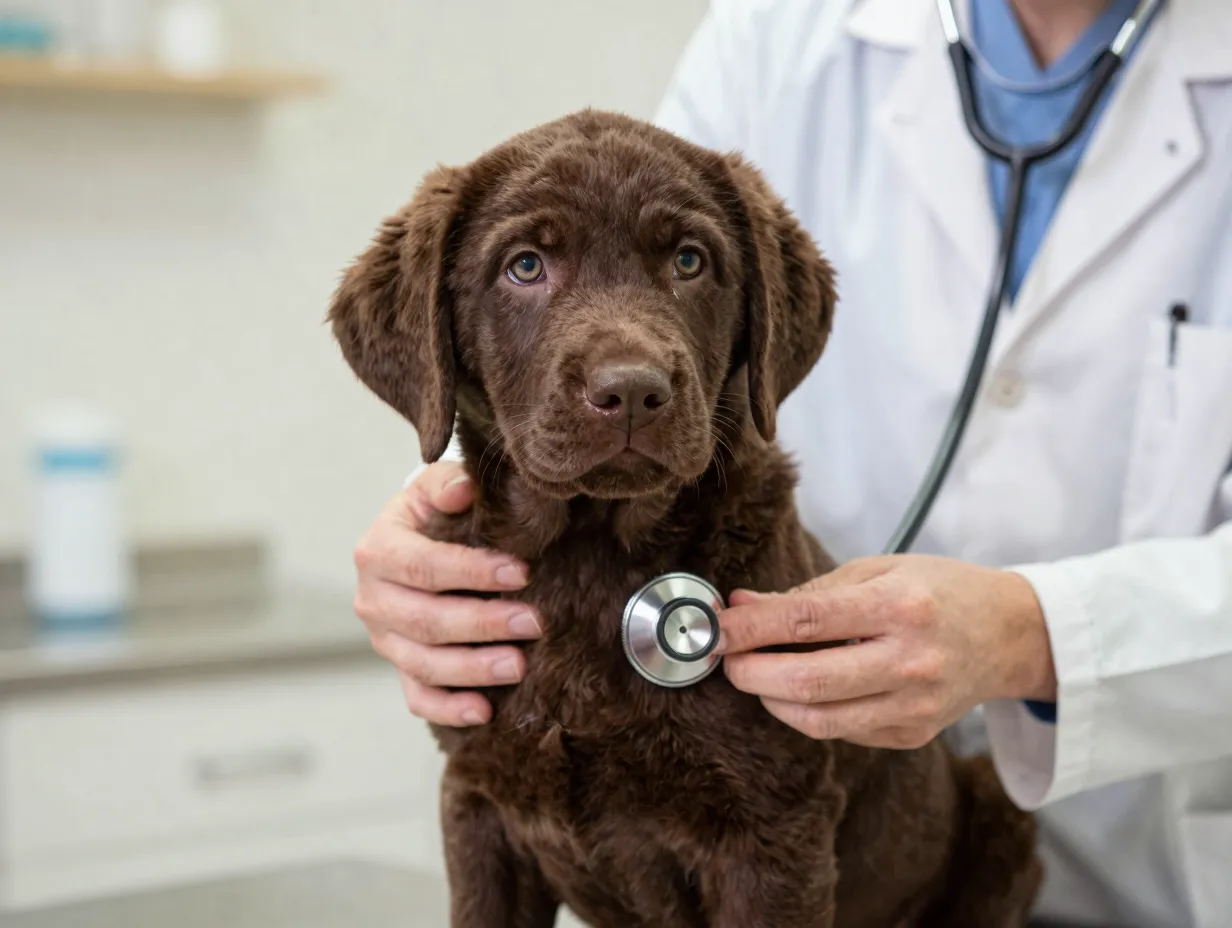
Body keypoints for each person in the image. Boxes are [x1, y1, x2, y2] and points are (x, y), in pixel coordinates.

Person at [348, 0, 1232, 924]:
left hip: (1151, 858)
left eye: (687, 262)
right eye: (532, 267)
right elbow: (602, 210)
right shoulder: (779, 35)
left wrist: (1033, 632)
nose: (629, 354)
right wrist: (431, 530)